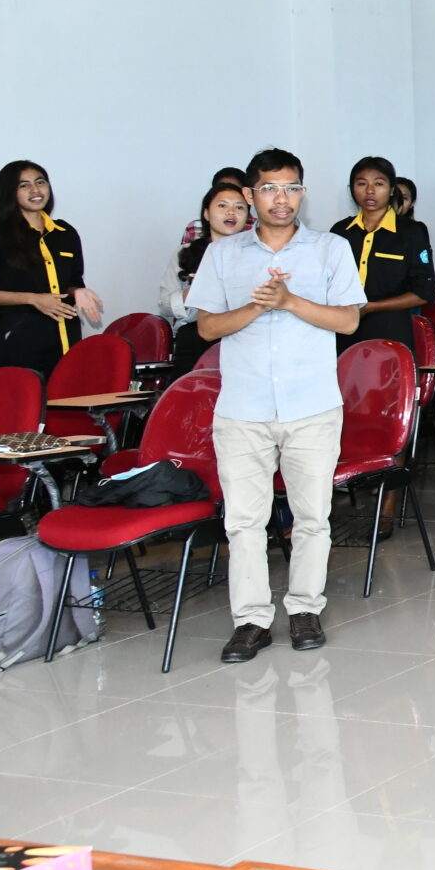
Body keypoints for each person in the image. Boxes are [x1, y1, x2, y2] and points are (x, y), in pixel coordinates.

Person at [189, 149, 365, 662]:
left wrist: (289, 303)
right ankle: (250, 620)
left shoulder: (330, 249)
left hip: (311, 404)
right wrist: (254, 307)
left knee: (312, 516)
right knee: (244, 521)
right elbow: (206, 328)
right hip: (243, 407)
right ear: (250, 195)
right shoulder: (223, 255)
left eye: (291, 188)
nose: (280, 198)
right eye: (269, 188)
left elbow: (349, 322)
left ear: (302, 193)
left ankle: (305, 609)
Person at [0, 161, 102, 373]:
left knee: (68, 401)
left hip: (67, 338)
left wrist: (79, 292)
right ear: (9, 192)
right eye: (24, 185)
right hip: (22, 340)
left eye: (40, 182)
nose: (35, 189)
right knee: (29, 402)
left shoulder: (65, 233)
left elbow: (72, 281)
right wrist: (33, 299)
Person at [330, 156, 435, 352]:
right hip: (344, 333)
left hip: (392, 331)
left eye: (379, 184)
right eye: (362, 184)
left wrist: (370, 307)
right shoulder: (340, 231)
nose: (370, 191)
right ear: (351, 189)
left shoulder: (410, 231)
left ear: (391, 189)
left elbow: (424, 292)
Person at [161, 182, 252, 371]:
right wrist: (193, 293)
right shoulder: (185, 253)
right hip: (195, 338)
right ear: (206, 214)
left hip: (243, 336)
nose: (231, 212)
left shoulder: (257, 255)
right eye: (222, 205)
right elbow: (164, 306)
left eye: (239, 207)